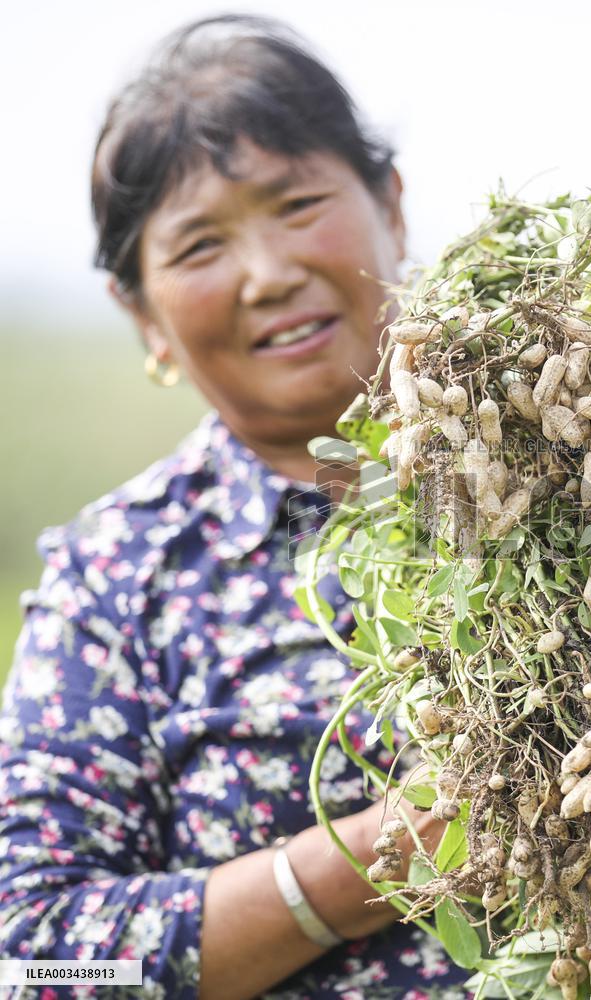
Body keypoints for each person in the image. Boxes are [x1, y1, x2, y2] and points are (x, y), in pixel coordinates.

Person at [0, 15, 466, 1000]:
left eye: (297, 204)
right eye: (202, 244)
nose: (267, 274)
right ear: (144, 315)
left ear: (391, 203)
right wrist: (362, 864)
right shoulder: (121, 580)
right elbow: (28, 961)